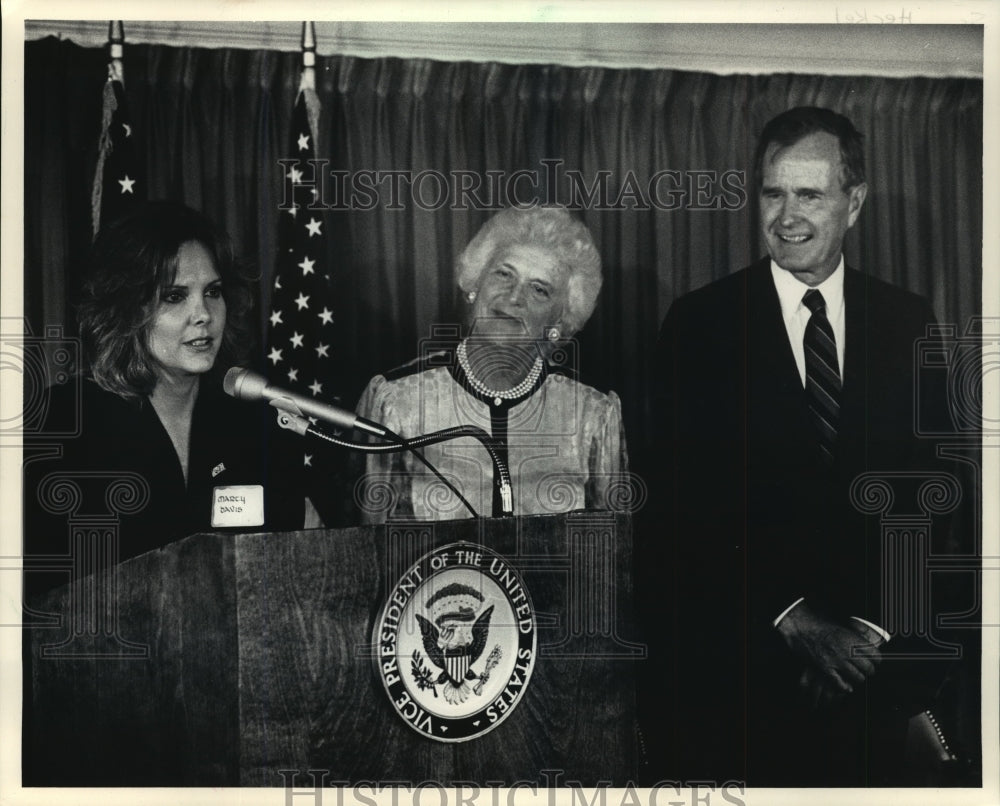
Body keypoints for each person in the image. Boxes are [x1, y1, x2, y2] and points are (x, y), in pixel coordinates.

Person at [641, 107, 956, 785]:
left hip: (872, 686)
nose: (787, 217)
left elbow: (938, 496)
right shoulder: (699, 326)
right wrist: (789, 618)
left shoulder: (908, 320)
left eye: (810, 193)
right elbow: (673, 508)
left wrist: (869, 634)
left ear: (855, 202)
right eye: (773, 193)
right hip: (736, 687)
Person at [23, 201, 304, 596]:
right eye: (174, 296)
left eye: (213, 292)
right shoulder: (65, 422)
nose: (203, 314)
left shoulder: (253, 421)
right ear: (126, 309)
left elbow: (292, 566)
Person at [354, 205, 627, 522]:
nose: (514, 297)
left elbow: (608, 554)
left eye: (539, 289)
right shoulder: (396, 400)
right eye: (503, 274)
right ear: (474, 286)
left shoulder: (593, 414)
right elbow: (366, 550)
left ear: (560, 322)